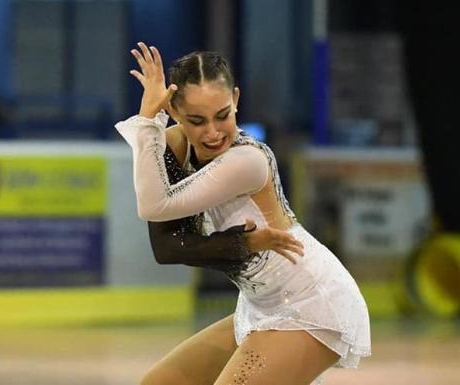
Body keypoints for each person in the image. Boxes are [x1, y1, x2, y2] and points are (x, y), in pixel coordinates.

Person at [115, 43, 371, 385]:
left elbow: (153, 204)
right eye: (197, 120)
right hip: (259, 305)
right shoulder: (179, 142)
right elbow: (166, 243)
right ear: (175, 112)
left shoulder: (246, 161)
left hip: (311, 302)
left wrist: (149, 123)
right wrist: (154, 126)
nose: (213, 132)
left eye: (223, 115)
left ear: (235, 99)